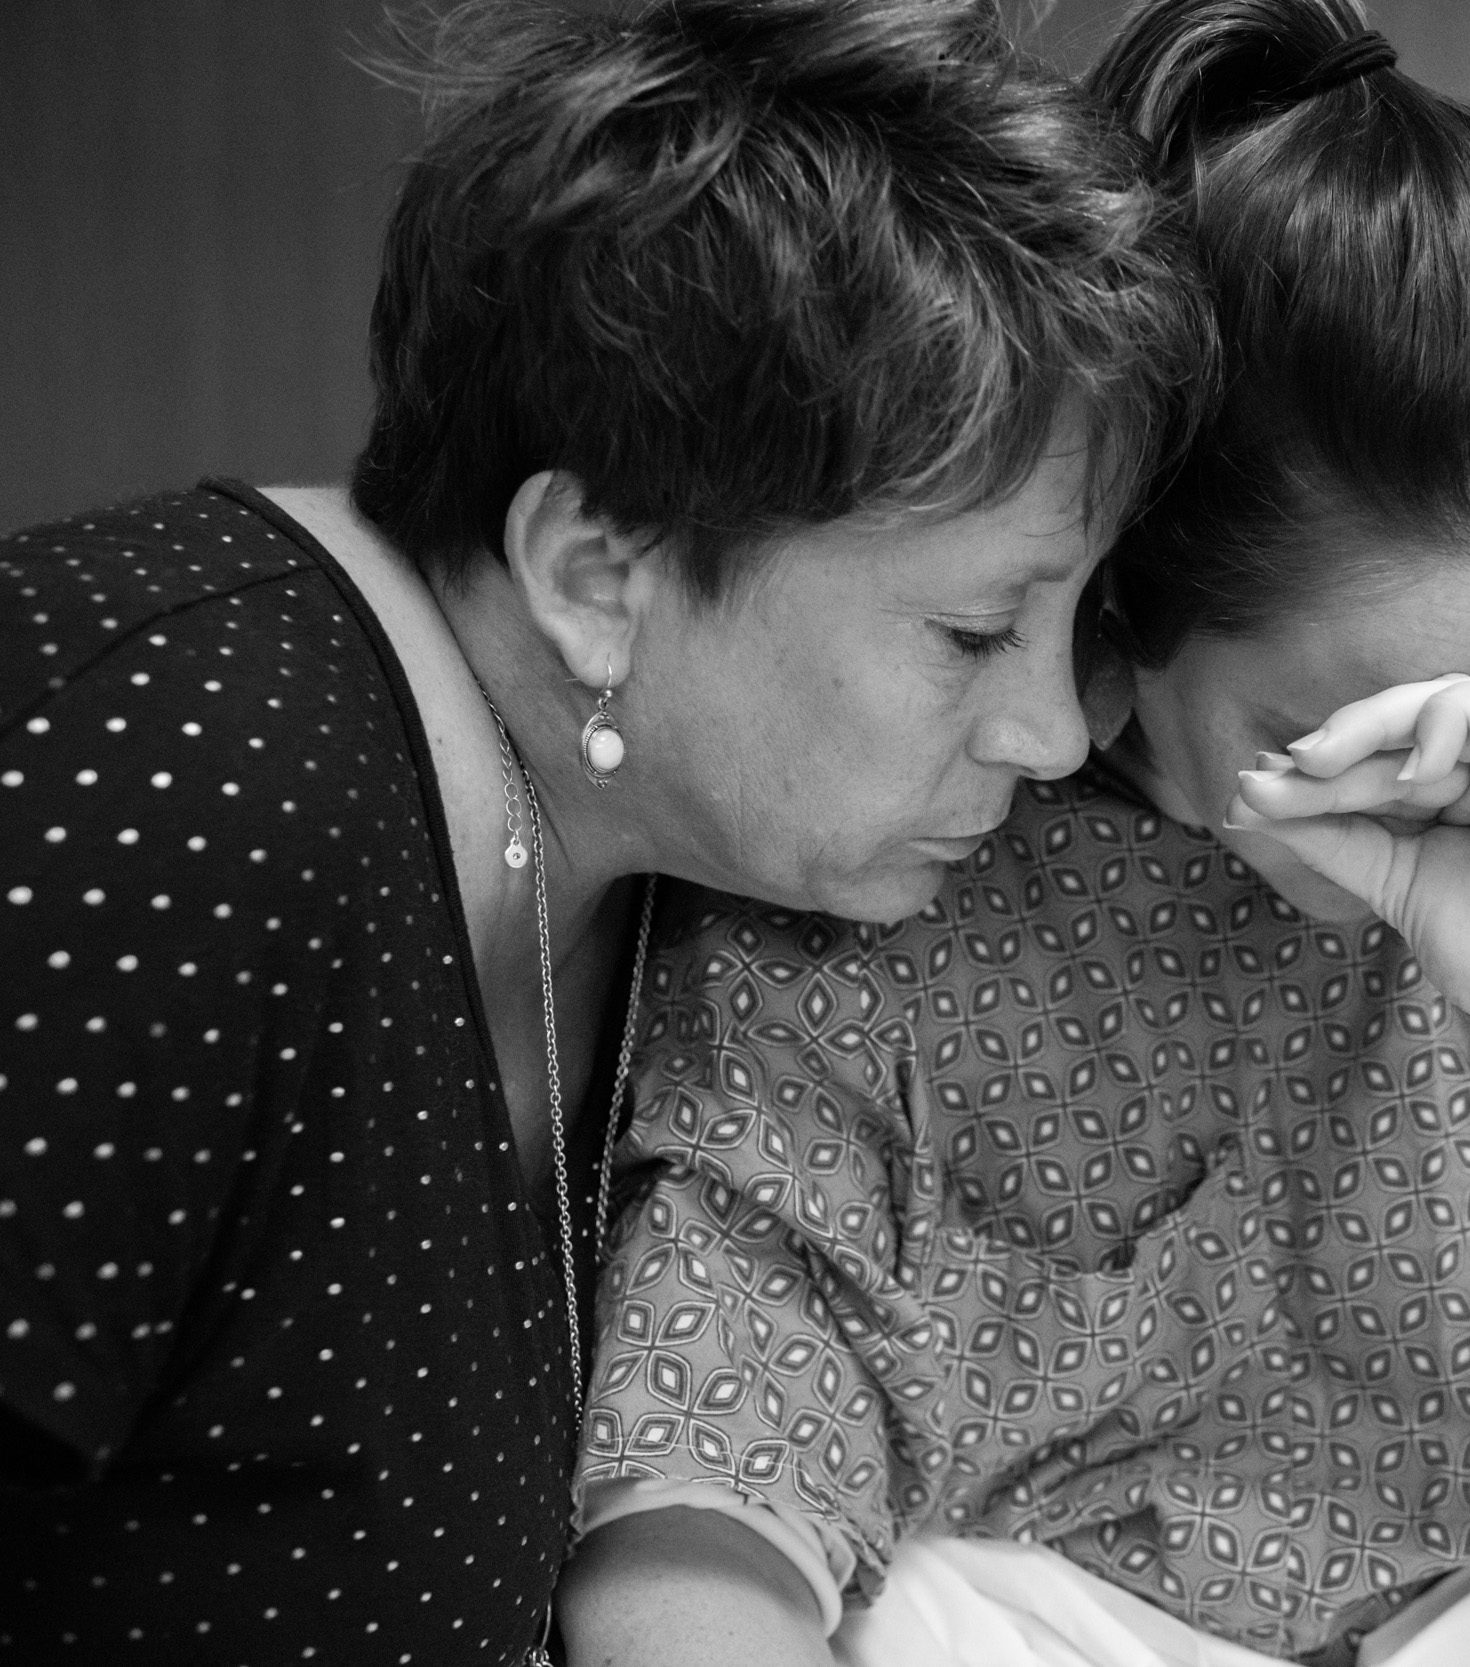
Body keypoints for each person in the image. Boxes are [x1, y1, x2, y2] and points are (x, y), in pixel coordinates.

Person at [559, 3, 1470, 1664]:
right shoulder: (886, 869)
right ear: (1120, 601)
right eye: (1348, 741)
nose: (1451, 799)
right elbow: (701, 1485)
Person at [0, 3, 1207, 1661]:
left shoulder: (659, 879)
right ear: (596, 575)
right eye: (976, 630)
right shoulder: (146, 784)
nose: (1055, 731)